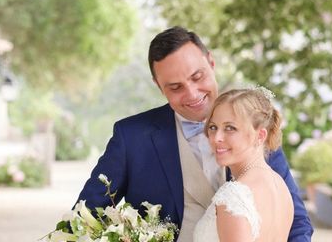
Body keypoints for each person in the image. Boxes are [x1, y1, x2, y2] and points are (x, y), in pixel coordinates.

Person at [75, 26, 313, 242]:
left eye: (197, 77)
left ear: (211, 62)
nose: (191, 94)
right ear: (158, 86)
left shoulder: (253, 128)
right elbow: (82, 221)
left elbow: (297, 223)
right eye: (175, 87)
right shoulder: (132, 137)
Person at [193, 88, 294, 242]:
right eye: (213, 127)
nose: (216, 138)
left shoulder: (233, 196)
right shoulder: (281, 186)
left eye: (230, 128)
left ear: (260, 135)